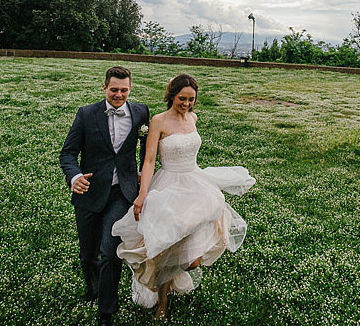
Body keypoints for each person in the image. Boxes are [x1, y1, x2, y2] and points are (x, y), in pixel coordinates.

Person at [112, 74, 255, 320]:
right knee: (167, 248)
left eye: (191, 99)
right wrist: (143, 194)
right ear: (171, 95)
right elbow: (148, 161)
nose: (187, 104)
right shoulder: (158, 121)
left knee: (192, 260)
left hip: (195, 183)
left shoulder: (193, 118)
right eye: (182, 99)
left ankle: (179, 273)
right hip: (168, 185)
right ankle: (162, 303)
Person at [59, 66, 150, 326]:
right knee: (88, 254)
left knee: (110, 252)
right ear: (104, 88)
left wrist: (143, 176)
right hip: (89, 191)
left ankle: (106, 312)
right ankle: (94, 287)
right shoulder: (86, 114)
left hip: (122, 193)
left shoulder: (141, 112)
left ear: (130, 89)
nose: (119, 94)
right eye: (114, 90)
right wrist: (75, 177)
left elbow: (146, 150)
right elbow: (68, 153)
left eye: (124, 90)